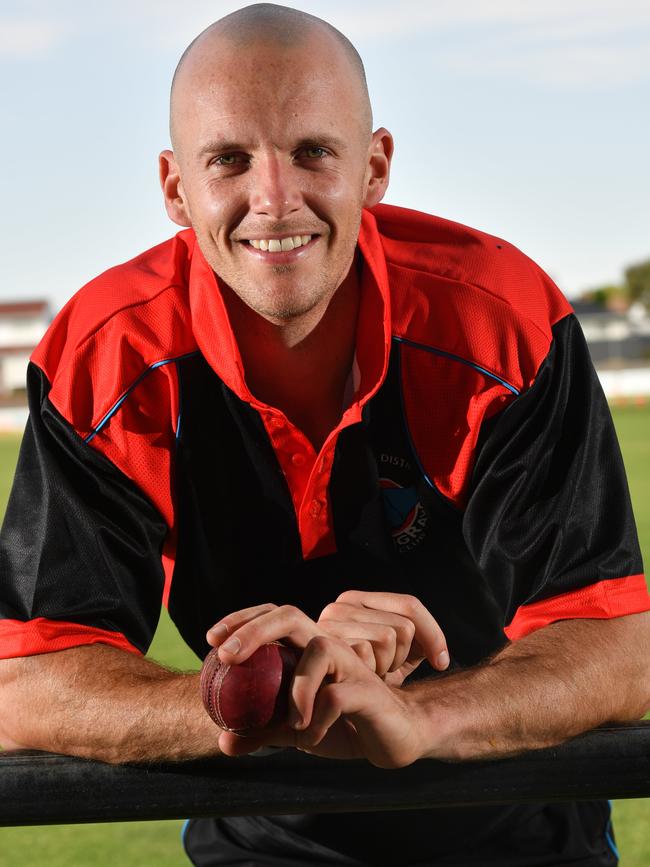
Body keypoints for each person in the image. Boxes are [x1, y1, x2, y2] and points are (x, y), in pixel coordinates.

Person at [0, 4, 648, 865]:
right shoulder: (109, 356)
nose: (274, 200)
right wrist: (274, 697)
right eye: (229, 159)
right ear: (174, 188)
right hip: (265, 826)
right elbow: (26, 678)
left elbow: (620, 644)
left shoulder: (499, 321)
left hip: (519, 816)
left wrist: (418, 715)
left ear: (374, 167)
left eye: (313, 151)